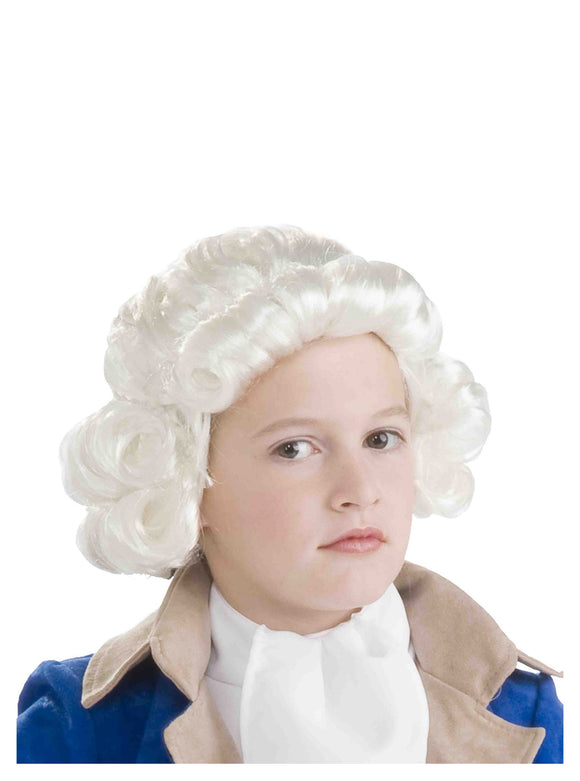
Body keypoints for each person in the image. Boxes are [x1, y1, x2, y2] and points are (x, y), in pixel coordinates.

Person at [17, 225, 563, 763]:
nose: (359, 491)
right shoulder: (79, 731)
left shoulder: (524, 708)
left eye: (380, 439)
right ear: (185, 477)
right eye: (295, 449)